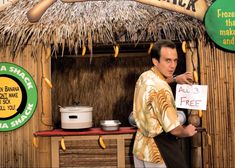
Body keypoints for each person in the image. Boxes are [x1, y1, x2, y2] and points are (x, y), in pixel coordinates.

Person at [132, 40, 197, 168]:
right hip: (158, 152)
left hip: (140, 148)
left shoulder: (145, 77)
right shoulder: (162, 89)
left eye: (175, 60)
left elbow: (157, 83)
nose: (173, 66)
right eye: (168, 60)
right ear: (155, 61)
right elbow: (174, 130)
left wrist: (175, 79)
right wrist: (186, 132)